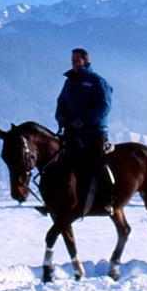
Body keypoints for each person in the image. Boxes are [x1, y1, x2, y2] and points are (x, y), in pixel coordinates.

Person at [55, 48, 113, 214]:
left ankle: (107, 199)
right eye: (72, 59)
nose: (73, 63)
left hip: (94, 132)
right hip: (72, 131)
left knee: (98, 162)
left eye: (77, 60)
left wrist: (83, 121)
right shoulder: (69, 82)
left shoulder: (97, 81)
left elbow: (103, 106)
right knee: (59, 161)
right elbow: (61, 102)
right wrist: (60, 118)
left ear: (85, 61)